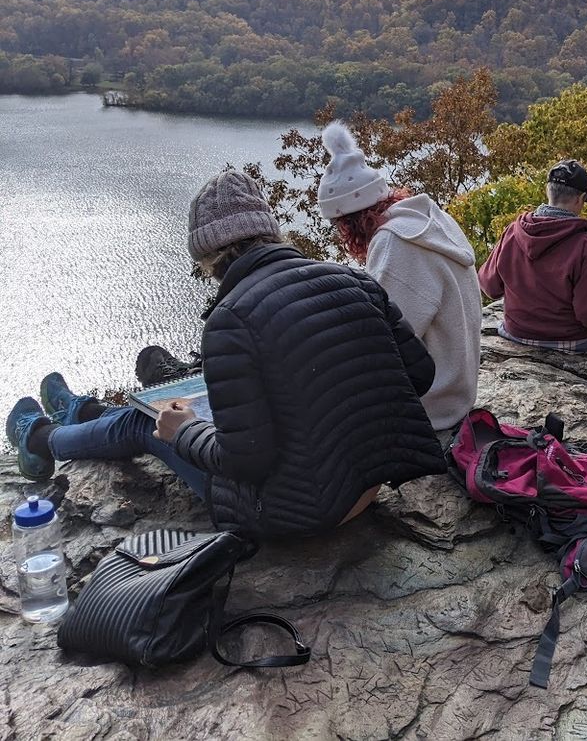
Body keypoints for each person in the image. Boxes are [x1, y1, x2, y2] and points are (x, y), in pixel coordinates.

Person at [6, 168, 446, 538]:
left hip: (297, 512)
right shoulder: (357, 282)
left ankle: (42, 438)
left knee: (148, 422)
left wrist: (182, 432)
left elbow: (245, 460)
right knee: (159, 412)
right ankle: (83, 414)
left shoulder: (232, 320)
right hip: (365, 491)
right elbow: (420, 375)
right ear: (271, 232)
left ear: (209, 255)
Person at [317, 121, 482, 441]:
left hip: (431, 407)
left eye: (341, 227)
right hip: (457, 391)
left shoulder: (396, 244)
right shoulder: (428, 220)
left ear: (351, 222)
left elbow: (381, 343)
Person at [478, 159, 587, 352]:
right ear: (580, 198)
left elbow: (490, 286)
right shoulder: (585, 245)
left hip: (516, 334)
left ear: (547, 190)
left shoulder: (513, 232)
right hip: (573, 342)